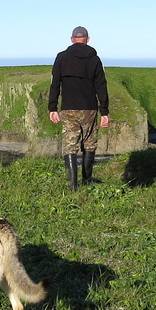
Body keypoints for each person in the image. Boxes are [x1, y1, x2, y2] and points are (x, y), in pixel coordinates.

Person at [48, 26, 110, 190]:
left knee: (70, 146)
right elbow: (101, 86)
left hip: (69, 108)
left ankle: (73, 186)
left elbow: (55, 85)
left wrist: (52, 108)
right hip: (90, 108)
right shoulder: (95, 59)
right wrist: (105, 111)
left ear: (72, 39)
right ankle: (87, 181)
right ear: (88, 39)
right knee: (89, 144)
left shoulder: (61, 57)